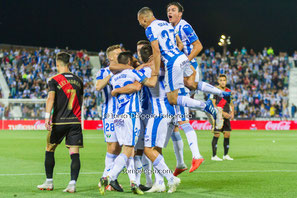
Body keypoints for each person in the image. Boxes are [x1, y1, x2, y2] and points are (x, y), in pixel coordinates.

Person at [137, 7, 225, 132]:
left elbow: (156, 51)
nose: (140, 23)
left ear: (143, 18)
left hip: (176, 63)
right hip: (181, 59)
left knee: (175, 102)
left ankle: (207, 106)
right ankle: (212, 105)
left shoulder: (153, 28)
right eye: (168, 10)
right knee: (190, 87)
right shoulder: (167, 25)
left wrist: (155, 73)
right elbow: (180, 45)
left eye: (139, 20)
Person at [98, 51, 158, 195]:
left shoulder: (114, 77)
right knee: (128, 149)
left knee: (128, 150)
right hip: (131, 115)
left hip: (117, 116)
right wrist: (154, 71)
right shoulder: (133, 74)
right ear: (129, 62)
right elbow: (149, 83)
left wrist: (118, 90)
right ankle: (108, 177)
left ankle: (133, 183)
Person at [37, 52, 84, 193]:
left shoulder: (54, 80)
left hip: (59, 122)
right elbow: (80, 101)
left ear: (57, 64)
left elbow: (50, 99)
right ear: (68, 63)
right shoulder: (79, 80)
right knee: (74, 153)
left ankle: (49, 182)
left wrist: (46, 118)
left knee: (49, 149)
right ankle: (72, 184)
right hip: (75, 121)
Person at [96, 44, 123, 191]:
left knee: (121, 148)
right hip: (110, 114)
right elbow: (98, 86)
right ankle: (105, 179)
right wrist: (112, 74)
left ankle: (110, 179)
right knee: (112, 147)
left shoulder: (125, 70)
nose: (121, 55)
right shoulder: (103, 71)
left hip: (124, 114)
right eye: (118, 53)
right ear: (111, 57)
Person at [210, 74, 234, 161]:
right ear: (218, 81)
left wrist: (232, 112)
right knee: (217, 134)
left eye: (224, 80)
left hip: (227, 115)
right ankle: (214, 156)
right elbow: (213, 104)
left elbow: (231, 103)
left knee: (227, 134)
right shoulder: (215, 90)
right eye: (221, 80)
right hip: (218, 115)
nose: (223, 82)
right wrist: (222, 113)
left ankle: (225, 155)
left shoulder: (228, 91)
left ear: (226, 81)